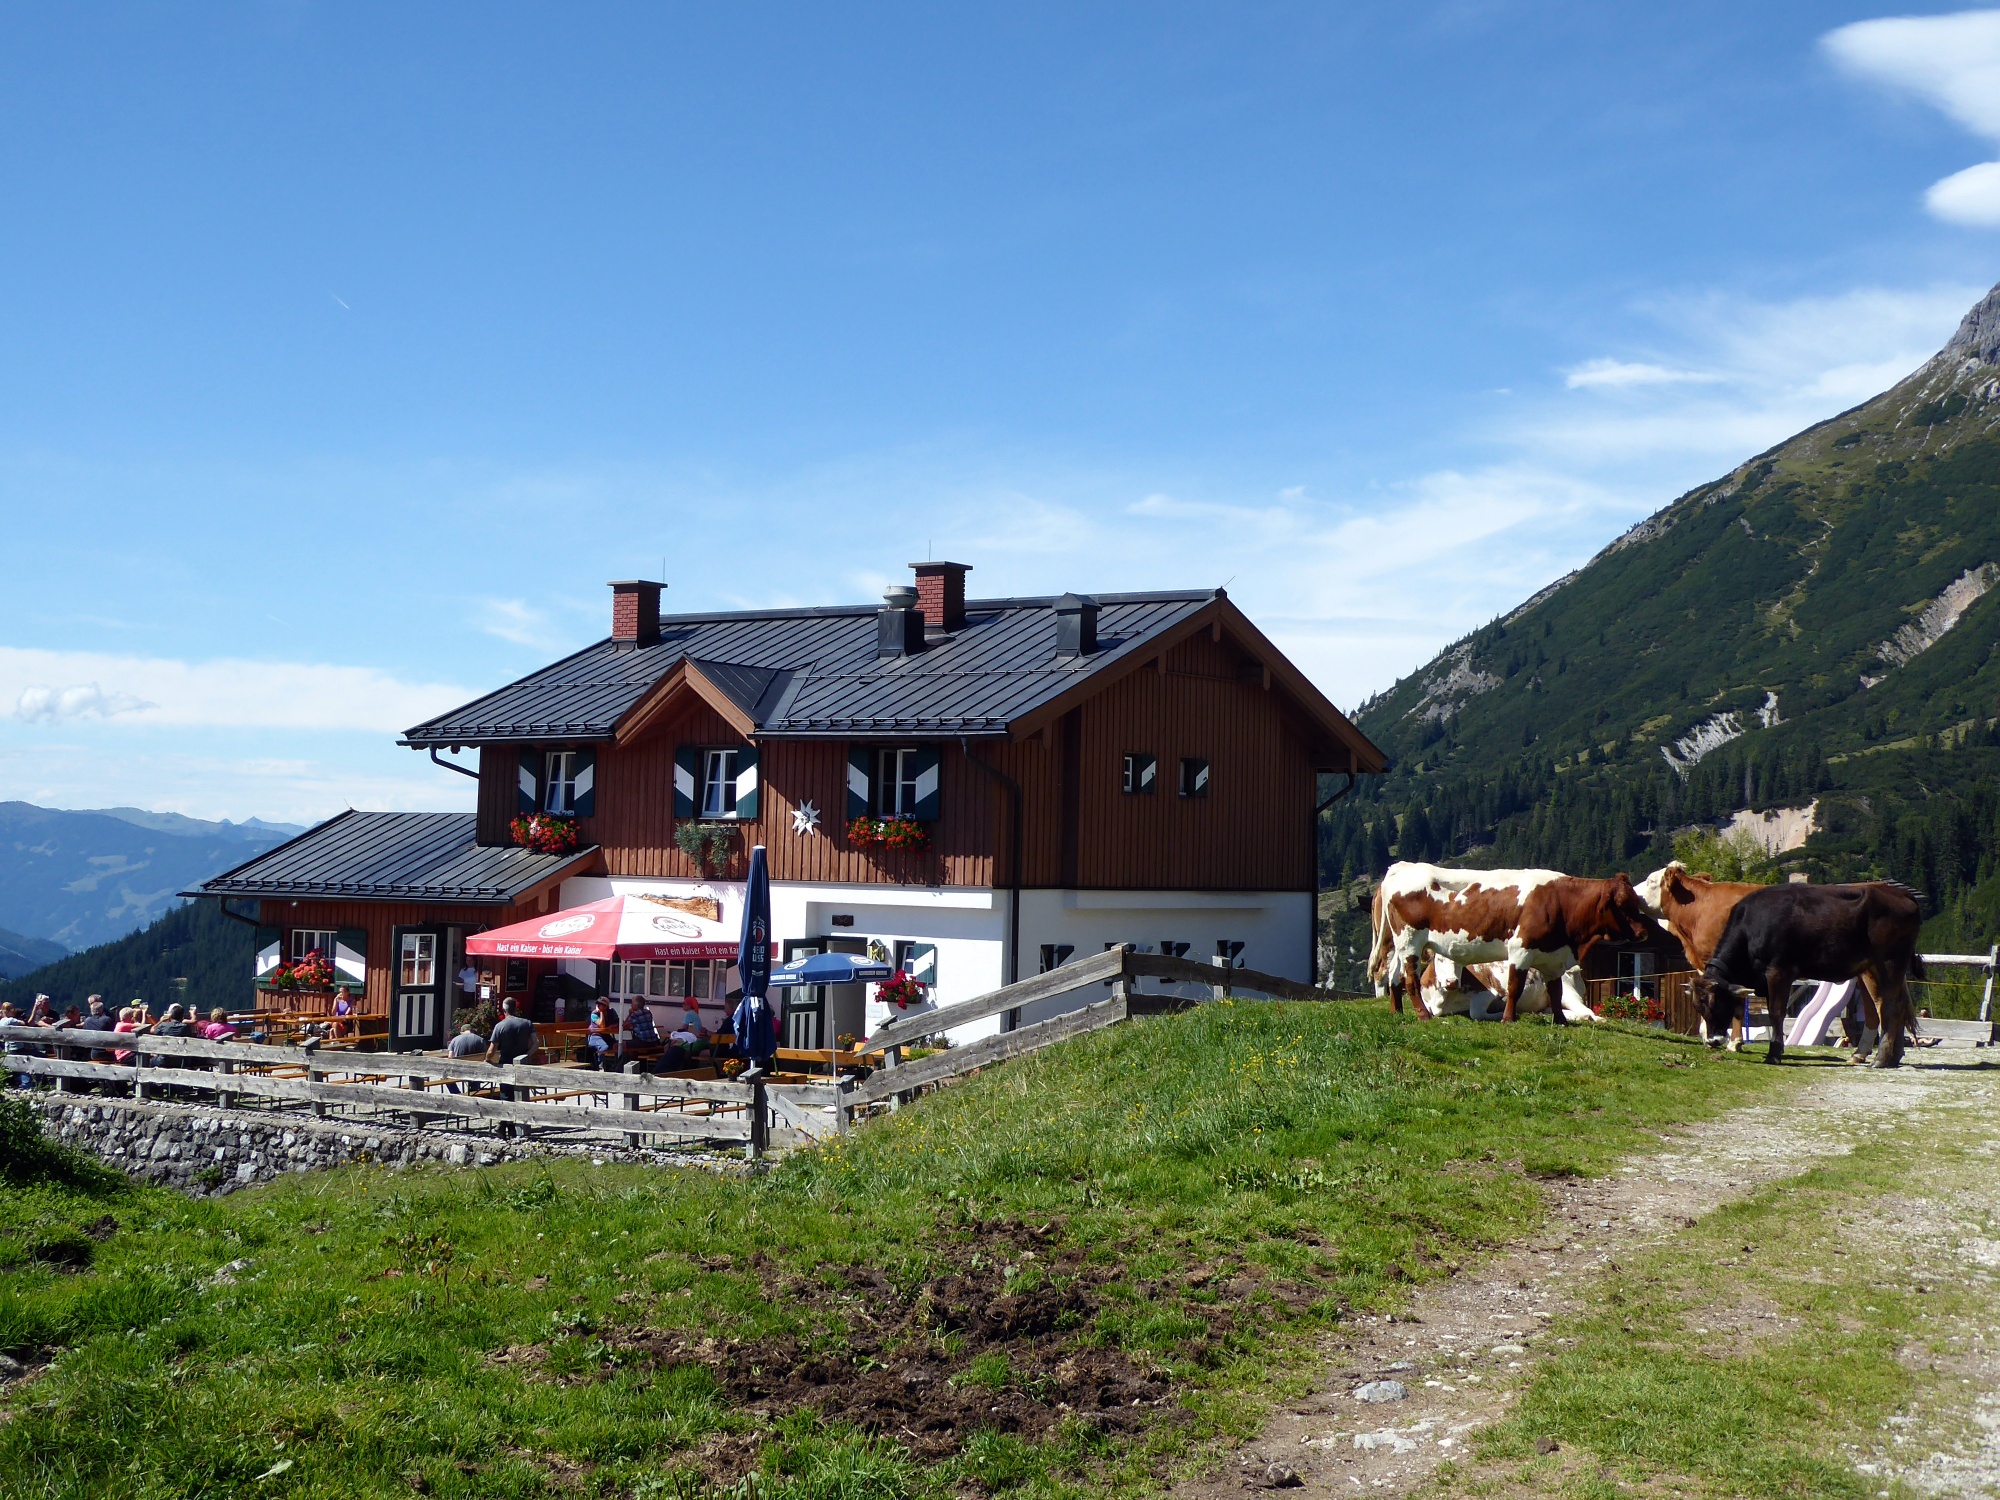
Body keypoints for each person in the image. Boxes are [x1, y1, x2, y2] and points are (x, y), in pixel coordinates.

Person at [443, 1018, 487, 1093]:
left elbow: (450, 1057)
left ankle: (456, 1093)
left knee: (444, 1077)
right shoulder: (480, 1040)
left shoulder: (455, 1040)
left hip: (459, 1071)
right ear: (472, 1031)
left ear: (461, 1032)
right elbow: (484, 1057)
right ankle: (474, 1091)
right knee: (476, 1069)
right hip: (476, 1072)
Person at [0, 1001, 29, 1088]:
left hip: (8, 1048)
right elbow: (26, 1023)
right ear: (6, 1011)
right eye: (12, 1010)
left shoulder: (1, 1021)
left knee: (12, 1069)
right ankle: (26, 1085)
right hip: (17, 1048)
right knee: (24, 1065)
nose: (14, 1011)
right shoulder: (10, 1020)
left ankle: (12, 1085)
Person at [585, 997, 618, 1069]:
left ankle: (616, 1065)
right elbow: (602, 1025)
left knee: (618, 1046)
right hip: (595, 1036)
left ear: (606, 1006)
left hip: (606, 1036)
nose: (597, 1005)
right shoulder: (594, 1014)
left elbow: (619, 1022)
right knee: (604, 1047)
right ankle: (600, 1066)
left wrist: (614, 1025)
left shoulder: (611, 1012)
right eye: (597, 1004)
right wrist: (601, 1012)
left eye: (600, 1004)